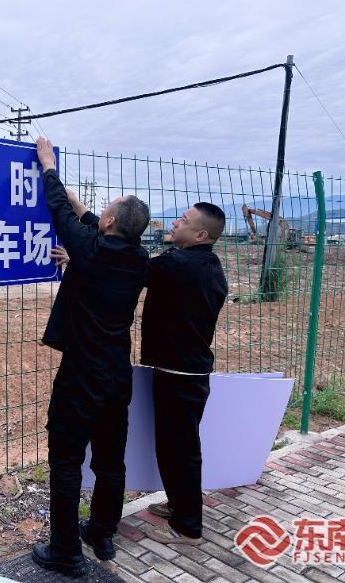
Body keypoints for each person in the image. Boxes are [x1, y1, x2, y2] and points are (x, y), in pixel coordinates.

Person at [32, 138, 150, 576]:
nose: (97, 214)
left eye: (105, 211)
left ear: (111, 221)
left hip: (80, 375)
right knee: (109, 460)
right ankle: (101, 532)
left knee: (66, 461)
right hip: (117, 376)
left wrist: (48, 166)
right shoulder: (139, 259)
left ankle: (65, 551)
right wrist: (79, 220)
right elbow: (85, 222)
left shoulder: (88, 249)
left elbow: (60, 211)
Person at [141, 202, 228, 545]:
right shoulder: (210, 266)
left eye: (184, 220)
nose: (176, 223)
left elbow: (128, 265)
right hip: (191, 370)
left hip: (178, 373)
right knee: (177, 445)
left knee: (180, 449)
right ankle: (179, 505)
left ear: (201, 235)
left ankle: (188, 527)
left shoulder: (178, 264)